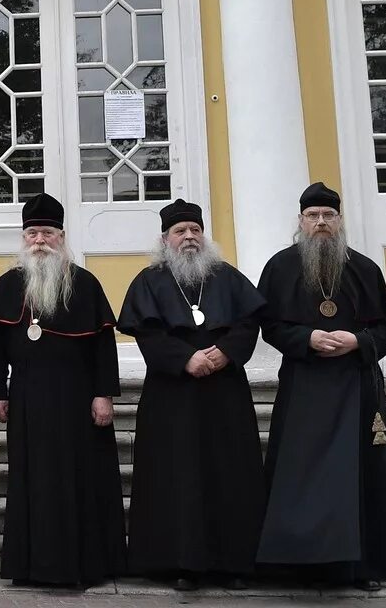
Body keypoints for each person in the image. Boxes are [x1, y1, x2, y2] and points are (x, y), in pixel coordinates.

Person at [256, 183, 386, 591]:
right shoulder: (280, 267)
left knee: (356, 475)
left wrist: (358, 341)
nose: (320, 222)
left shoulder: (364, 268)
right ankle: (296, 566)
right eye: (313, 216)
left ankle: (360, 568)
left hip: (355, 386)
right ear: (300, 222)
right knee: (300, 474)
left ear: (339, 221)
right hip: (304, 385)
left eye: (328, 216)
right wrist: (306, 339)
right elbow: (268, 325)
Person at [116, 199, 265, 590]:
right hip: (172, 394)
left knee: (230, 474)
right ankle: (181, 563)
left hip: (225, 392)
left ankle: (233, 563)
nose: (189, 237)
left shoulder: (228, 278)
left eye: (195, 230)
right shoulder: (150, 281)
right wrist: (185, 359)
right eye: (180, 231)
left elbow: (249, 323)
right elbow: (147, 333)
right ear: (165, 239)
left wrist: (224, 354)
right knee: (176, 476)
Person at [0, 192, 124, 588]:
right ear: (23, 238)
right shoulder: (9, 285)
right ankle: (31, 566)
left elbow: (102, 345)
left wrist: (103, 394)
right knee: (31, 481)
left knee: (79, 480)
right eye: (32, 233)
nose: (39, 240)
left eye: (47, 232)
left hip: (77, 398)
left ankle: (83, 565)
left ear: (61, 237)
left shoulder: (85, 283)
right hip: (27, 398)